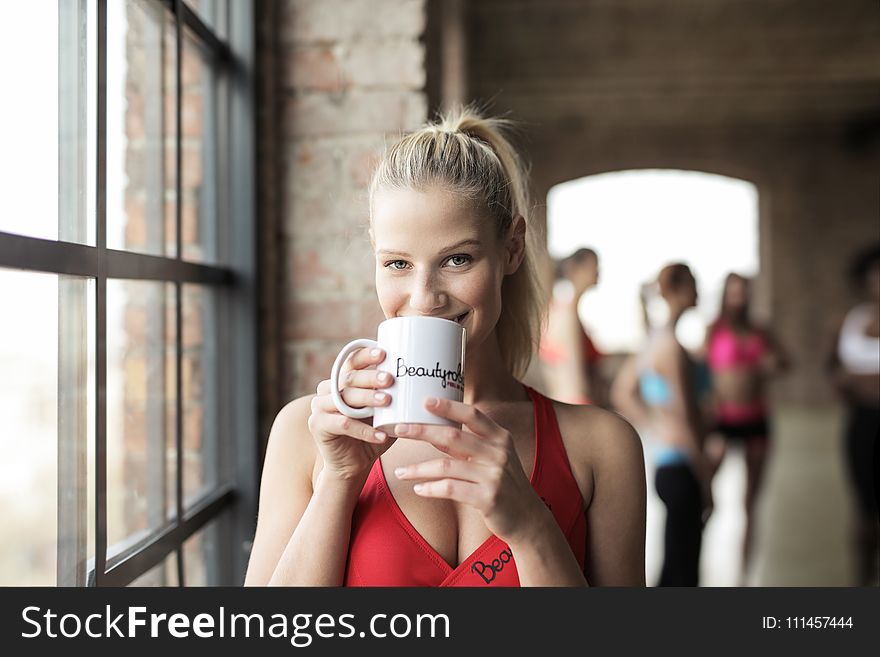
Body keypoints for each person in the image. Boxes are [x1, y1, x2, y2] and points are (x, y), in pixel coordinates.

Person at [244, 107, 646, 587]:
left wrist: (532, 528)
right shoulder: (307, 435)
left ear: (512, 248)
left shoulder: (603, 447)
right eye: (396, 263)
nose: (423, 296)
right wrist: (339, 480)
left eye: (457, 259)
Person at [611, 264, 712, 586]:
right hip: (682, 466)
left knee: (674, 565)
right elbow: (685, 418)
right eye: (694, 284)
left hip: (667, 463)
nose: (698, 292)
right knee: (683, 572)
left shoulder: (654, 340)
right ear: (680, 290)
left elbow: (622, 392)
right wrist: (706, 477)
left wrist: (656, 427)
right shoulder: (671, 347)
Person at [704, 273, 789, 584]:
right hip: (723, 420)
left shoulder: (760, 331)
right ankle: (697, 557)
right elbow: (700, 372)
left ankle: (743, 576)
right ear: (725, 295)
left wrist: (773, 363)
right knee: (704, 487)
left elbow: (785, 361)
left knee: (750, 501)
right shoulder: (713, 331)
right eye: (733, 292)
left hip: (756, 419)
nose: (738, 298)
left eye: (743, 292)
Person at [826, 244, 879, 586]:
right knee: (864, 510)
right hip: (862, 423)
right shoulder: (850, 320)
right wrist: (848, 382)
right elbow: (831, 368)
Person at [538, 248, 608, 406]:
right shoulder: (566, 316)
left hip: (565, 404)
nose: (598, 271)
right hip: (577, 404)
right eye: (594, 265)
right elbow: (577, 378)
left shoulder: (558, 311)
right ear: (576, 269)